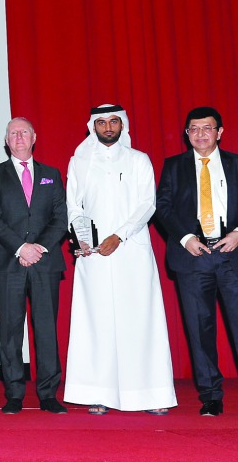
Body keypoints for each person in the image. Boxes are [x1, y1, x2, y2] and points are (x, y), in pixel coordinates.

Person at [155, 106, 238, 417]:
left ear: (219, 132)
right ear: (186, 134)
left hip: (233, 254)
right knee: (199, 331)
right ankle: (210, 397)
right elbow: (162, 207)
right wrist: (186, 239)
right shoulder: (173, 166)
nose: (200, 134)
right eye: (194, 129)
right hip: (193, 256)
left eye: (207, 128)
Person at [64, 105, 176, 415]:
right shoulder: (79, 162)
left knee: (140, 319)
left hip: (132, 250)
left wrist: (120, 236)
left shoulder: (139, 160)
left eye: (114, 121)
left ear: (122, 124)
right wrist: (82, 238)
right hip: (93, 254)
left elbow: (147, 205)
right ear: (93, 126)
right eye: (101, 122)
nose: (108, 127)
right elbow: (73, 206)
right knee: (97, 321)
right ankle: (99, 394)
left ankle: (150, 395)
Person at [0, 117, 69, 414]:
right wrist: (20, 248)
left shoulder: (51, 174)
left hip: (45, 263)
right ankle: (14, 394)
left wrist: (38, 248)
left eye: (23, 132)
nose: (18, 137)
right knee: (10, 330)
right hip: (9, 262)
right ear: (6, 140)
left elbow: (61, 218)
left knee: (46, 330)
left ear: (34, 137)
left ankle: (48, 394)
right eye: (12, 133)